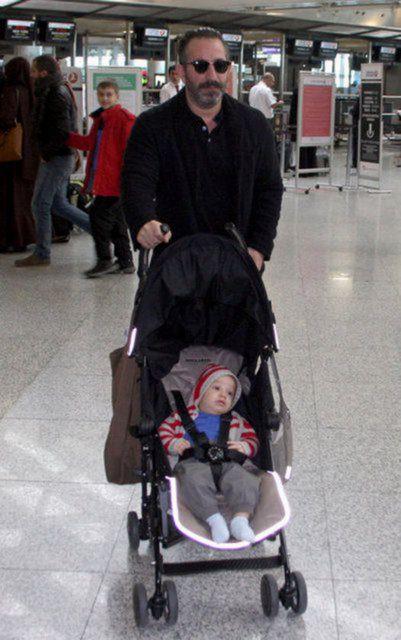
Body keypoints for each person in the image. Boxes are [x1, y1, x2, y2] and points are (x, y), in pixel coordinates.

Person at [121, 27, 283, 272]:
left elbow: (269, 188)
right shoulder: (153, 125)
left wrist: (259, 247)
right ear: (181, 71)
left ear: (229, 69)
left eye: (220, 65)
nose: (212, 75)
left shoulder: (254, 125)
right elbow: (136, 181)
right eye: (200, 66)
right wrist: (144, 220)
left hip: (238, 262)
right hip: (175, 263)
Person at [158, 364, 260, 543]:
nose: (223, 395)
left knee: (245, 479)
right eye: (217, 388)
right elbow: (163, 430)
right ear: (201, 391)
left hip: (228, 463)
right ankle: (214, 519)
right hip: (193, 462)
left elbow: (252, 439)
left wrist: (245, 446)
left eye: (230, 393)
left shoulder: (236, 420)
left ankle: (240, 520)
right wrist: (173, 443)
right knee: (191, 480)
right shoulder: (181, 416)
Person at [15, 55, 91, 268]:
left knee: (40, 203)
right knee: (58, 204)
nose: (31, 75)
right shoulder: (55, 89)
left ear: (43, 73)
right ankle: (104, 231)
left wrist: (46, 153)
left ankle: (42, 253)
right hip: (61, 155)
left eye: (34, 71)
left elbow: (61, 131)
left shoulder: (55, 93)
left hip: (57, 157)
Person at [67, 80, 135, 278]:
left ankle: (105, 260)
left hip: (114, 183)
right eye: (101, 94)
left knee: (98, 218)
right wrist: (67, 137)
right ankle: (125, 261)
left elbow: (130, 151)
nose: (105, 98)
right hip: (104, 181)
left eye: (109, 94)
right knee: (117, 222)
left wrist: (128, 179)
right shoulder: (100, 119)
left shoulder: (123, 119)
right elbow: (90, 144)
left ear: (117, 96)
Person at [0, 57, 38, 253]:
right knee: (23, 199)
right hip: (29, 154)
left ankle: (9, 239)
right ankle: (24, 237)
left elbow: (6, 118)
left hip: (11, 154)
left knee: (8, 198)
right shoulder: (32, 92)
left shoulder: (11, 91)